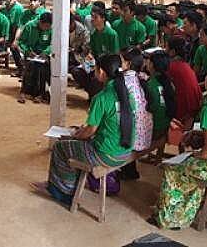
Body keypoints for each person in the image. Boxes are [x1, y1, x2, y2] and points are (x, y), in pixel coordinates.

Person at [150, 64, 207, 229]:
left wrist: (195, 155)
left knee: (171, 169)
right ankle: (183, 216)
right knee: (191, 173)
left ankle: (166, 219)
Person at [32, 54, 135, 206]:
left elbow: (90, 131)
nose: (94, 71)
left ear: (101, 72)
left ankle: (62, 192)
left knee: (61, 147)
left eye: (95, 68)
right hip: (125, 152)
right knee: (77, 142)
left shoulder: (101, 97)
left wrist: (74, 135)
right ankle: (65, 185)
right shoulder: (127, 94)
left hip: (107, 155)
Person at [118, 48, 154, 181]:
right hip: (146, 134)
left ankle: (127, 170)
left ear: (127, 64)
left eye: (121, 61)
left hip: (134, 138)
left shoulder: (124, 81)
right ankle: (130, 170)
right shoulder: (143, 78)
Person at [72, 7, 118, 98]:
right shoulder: (94, 34)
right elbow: (92, 51)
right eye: (92, 17)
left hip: (108, 66)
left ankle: (97, 96)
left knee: (96, 79)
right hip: (95, 64)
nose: (92, 19)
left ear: (103, 18)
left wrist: (101, 67)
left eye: (95, 17)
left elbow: (115, 55)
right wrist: (88, 56)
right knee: (76, 71)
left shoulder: (112, 34)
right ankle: (91, 93)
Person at [165, 38, 203, 125]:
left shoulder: (172, 66)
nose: (165, 49)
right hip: (195, 102)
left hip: (186, 107)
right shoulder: (184, 64)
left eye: (166, 47)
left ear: (173, 51)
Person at [17, 12, 53, 104]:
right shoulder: (29, 26)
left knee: (43, 67)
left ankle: (40, 93)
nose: (47, 28)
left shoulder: (51, 28)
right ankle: (24, 91)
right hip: (30, 53)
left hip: (44, 54)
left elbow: (53, 44)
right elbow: (21, 42)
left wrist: (46, 52)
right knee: (30, 65)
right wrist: (27, 51)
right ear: (40, 22)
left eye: (49, 26)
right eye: (45, 26)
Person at [144, 51, 177, 140]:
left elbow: (150, 107)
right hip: (166, 122)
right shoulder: (168, 81)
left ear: (152, 65)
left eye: (148, 61)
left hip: (155, 125)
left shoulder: (150, 84)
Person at [1, 0, 25, 74]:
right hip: (7, 32)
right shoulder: (3, 8)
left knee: (14, 47)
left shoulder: (18, 9)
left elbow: (19, 26)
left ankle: (21, 68)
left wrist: (15, 40)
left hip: (17, 32)